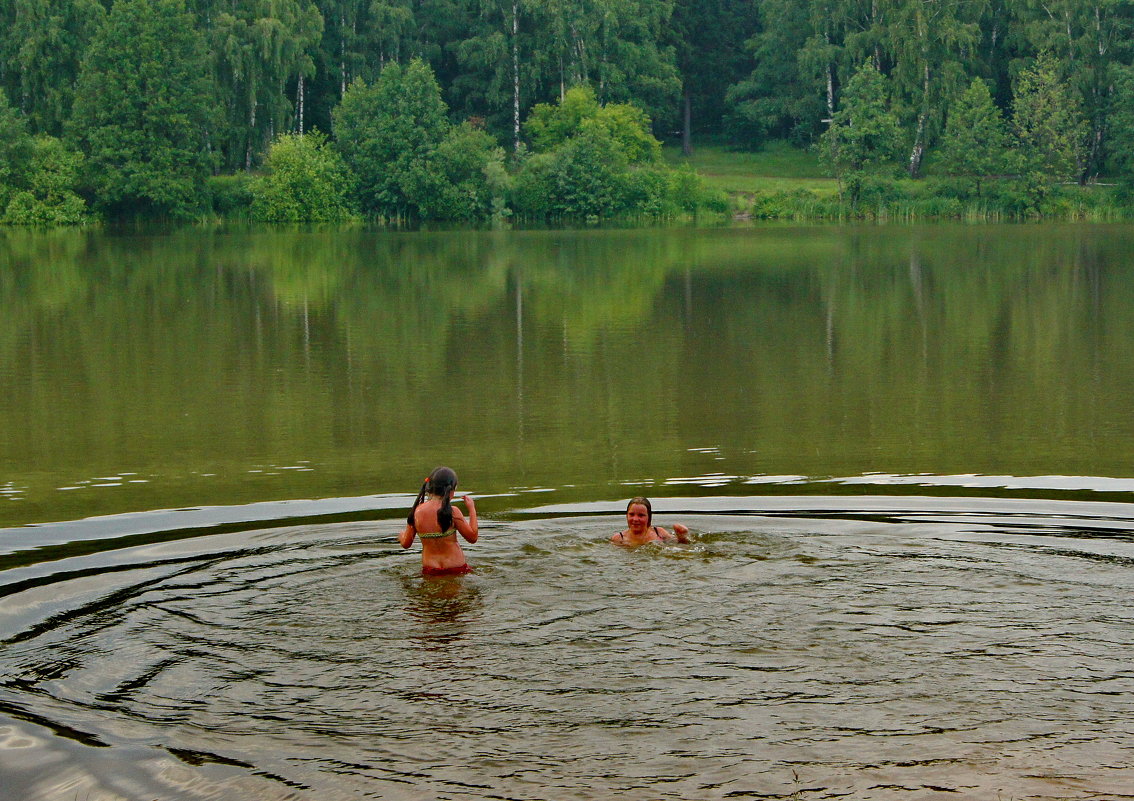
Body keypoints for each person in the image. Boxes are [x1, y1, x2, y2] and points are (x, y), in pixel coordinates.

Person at [400, 466, 478, 575]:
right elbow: (473, 537)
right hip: (456, 567)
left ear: (429, 488)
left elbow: (406, 544)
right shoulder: (453, 512)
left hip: (430, 569)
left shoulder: (416, 512)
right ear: (451, 490)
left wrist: (401, 536)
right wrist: (472, 509)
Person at [611, 496, 690, 546]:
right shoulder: (618, 538)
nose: (635, 519)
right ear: (626, 515)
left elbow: (680, 546)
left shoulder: (659, 533)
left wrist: (682, 537)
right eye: (631, 514)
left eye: (641, 515)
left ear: (649, 517)